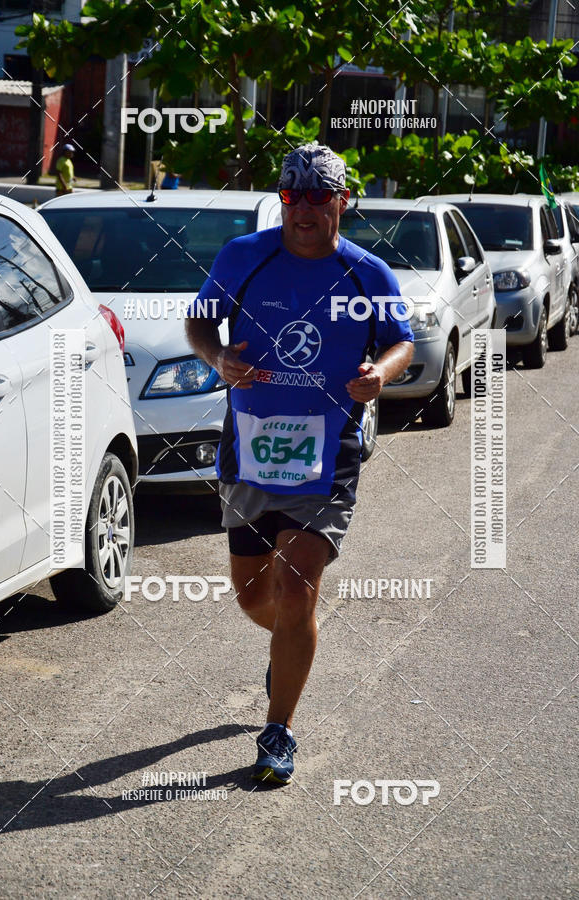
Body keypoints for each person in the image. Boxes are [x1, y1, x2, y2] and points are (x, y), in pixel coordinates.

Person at [186, 143, 414, 785]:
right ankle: (288, 642)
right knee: (254, 596)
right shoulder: (243, 257)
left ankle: (278, 729)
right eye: (292, 196)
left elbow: (401, 341)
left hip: (328, 453)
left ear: (343, 201)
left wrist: (380, 375)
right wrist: (216, 358)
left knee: (296, 586)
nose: (304, 209)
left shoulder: (367, 274)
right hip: (250, 448)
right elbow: (199, 324)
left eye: (318, 196)